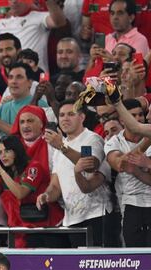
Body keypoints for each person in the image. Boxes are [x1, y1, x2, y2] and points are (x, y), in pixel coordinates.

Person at [40, 99, 121, 247]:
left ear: (82, 117)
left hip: (98, 215)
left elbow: (90, 165)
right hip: (72, 219)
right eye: (62, 115)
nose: (65, 118)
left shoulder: (92, 139)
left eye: (71, 114)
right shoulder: (59, 149)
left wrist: (62, 147)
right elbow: (55, 185)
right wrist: (46, 196)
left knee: (102, 265)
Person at [0, 135, 65, 248]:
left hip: (46, 229)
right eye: (0, 152)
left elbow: (21, 193)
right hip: (21, 232)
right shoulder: (7, 176)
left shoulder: (34, 167)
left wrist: (1, 171)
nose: (3, 156)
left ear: (16, 151)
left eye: (7, 151)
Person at [105, 98, 151, 246]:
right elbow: (120, 165)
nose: (138, 119)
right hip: (131, 204)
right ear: (123, 120)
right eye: (133, 116)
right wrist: (147, 142)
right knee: (135, 258)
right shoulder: (114, 142)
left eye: (140, 115)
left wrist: (145, 164)